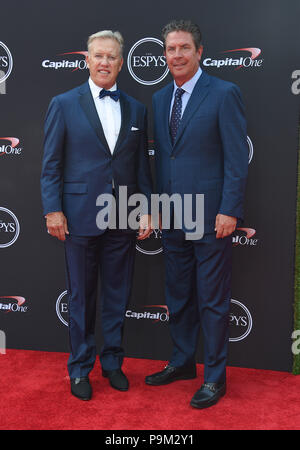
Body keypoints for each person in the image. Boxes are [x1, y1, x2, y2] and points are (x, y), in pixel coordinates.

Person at [41, 30, 152, 401]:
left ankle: (113, 363)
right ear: (86, 60)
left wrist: (146, 209)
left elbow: (140, 170)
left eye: (112, 57)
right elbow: (51, 164)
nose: (104, 62)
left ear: (122, 63)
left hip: (123, 215)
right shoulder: (63, 103)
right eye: (98, 56)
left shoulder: (136, 108)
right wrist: (53, 210)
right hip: (78, 216)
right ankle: (79, 368)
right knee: (82, 297)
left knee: (117, 295)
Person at [145, 20, 248, 409]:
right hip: (172, 217)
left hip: (210, 219)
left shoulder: (224, 93)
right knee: (179, 296)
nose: (176, 55)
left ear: (199, 51)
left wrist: (229, 209)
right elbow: (164, 160)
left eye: (183, 48)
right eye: (170, 49)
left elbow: (237, 160)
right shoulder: (158, 99)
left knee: (212, 300)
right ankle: (183, 362)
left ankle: (215, 378)